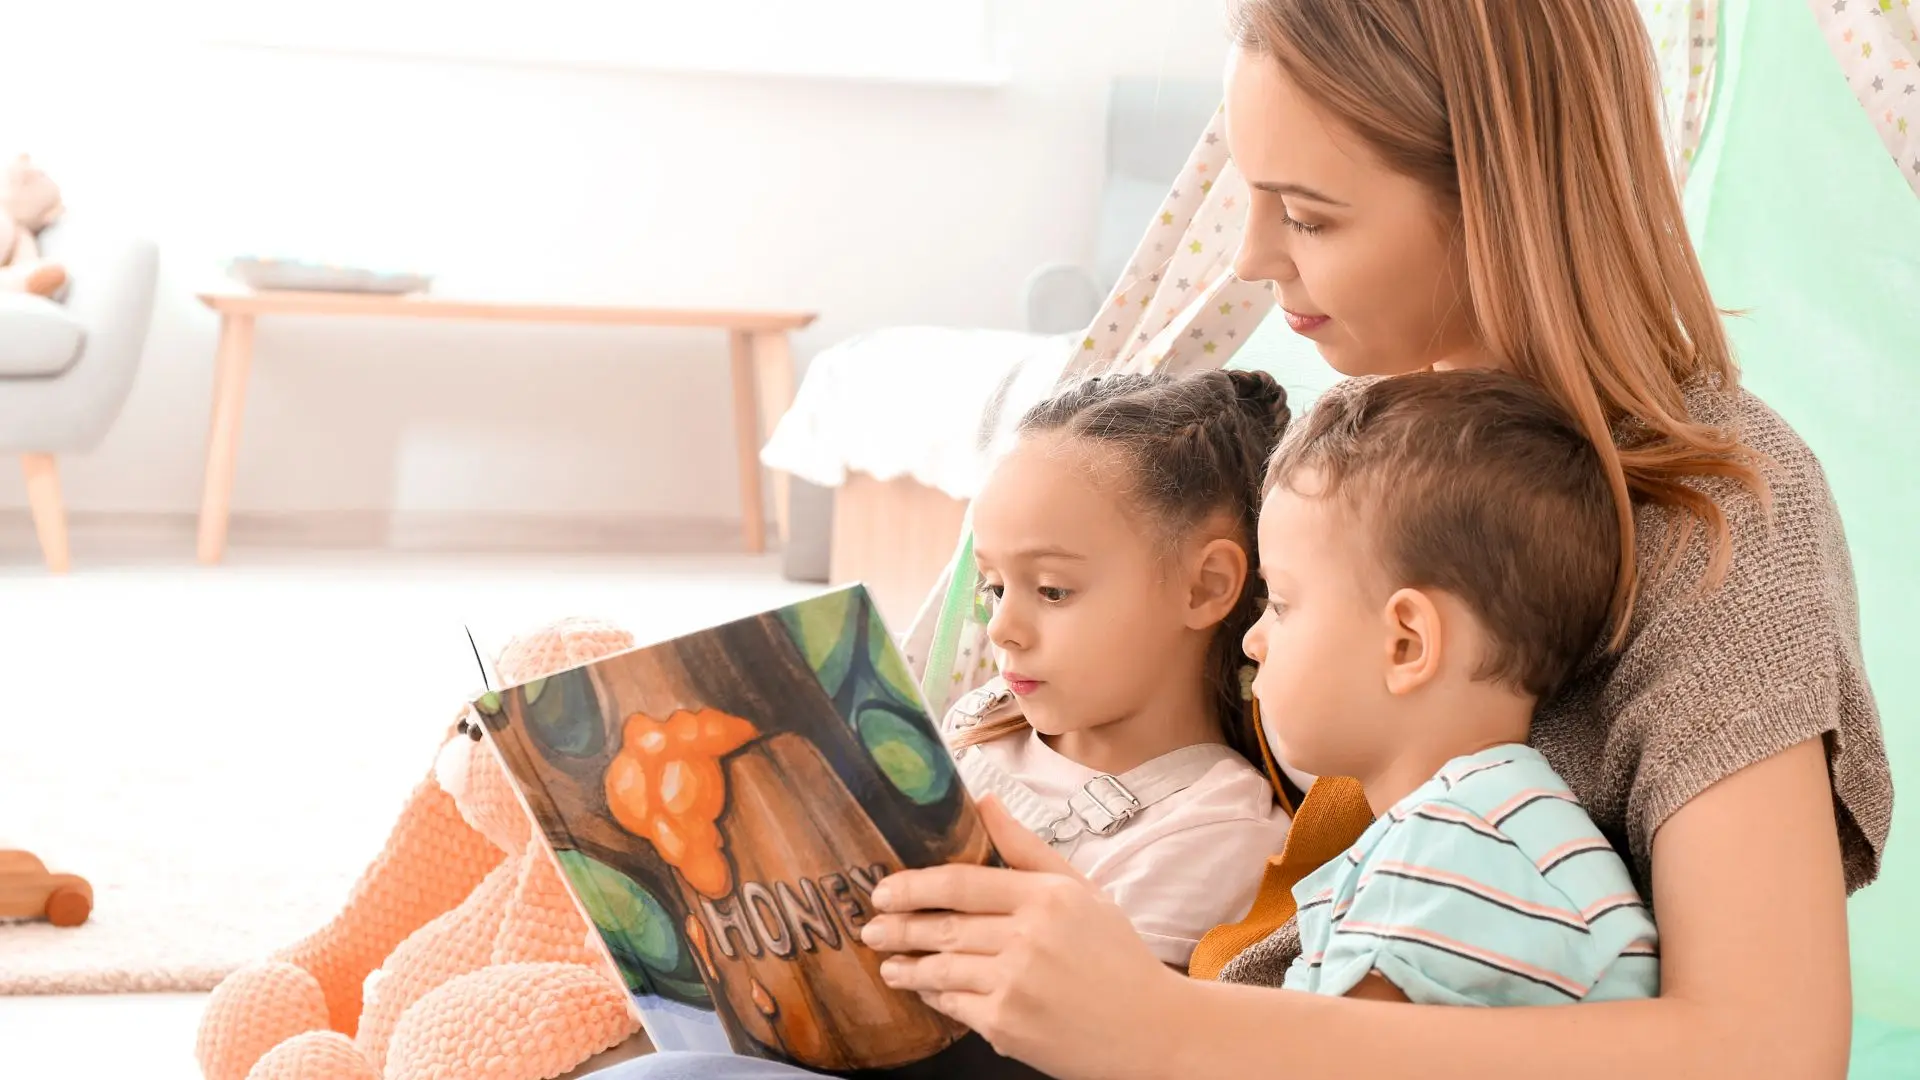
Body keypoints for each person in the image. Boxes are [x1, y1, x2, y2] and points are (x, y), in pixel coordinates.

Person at [597, 1, 1891, 1077]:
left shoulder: (1714, 510)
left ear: (1500, 195)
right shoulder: (1355, 430)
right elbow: (1264, 847)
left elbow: (1766, 1046)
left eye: (1310, 214)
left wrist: (1167, 1029)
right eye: (1250, 195)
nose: (1256, 257)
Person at [1248, 369, 1656, 1006]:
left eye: (1279, 603)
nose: (1253, 640)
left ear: (1406, 643)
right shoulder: (1481, 834)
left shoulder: (1451, 857)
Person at [939, 368, 1296, 972]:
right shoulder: (985, 716)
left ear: (1205, 587)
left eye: (1052, 590)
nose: (1002, 628)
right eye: (995, 587)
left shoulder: (1215, 833)